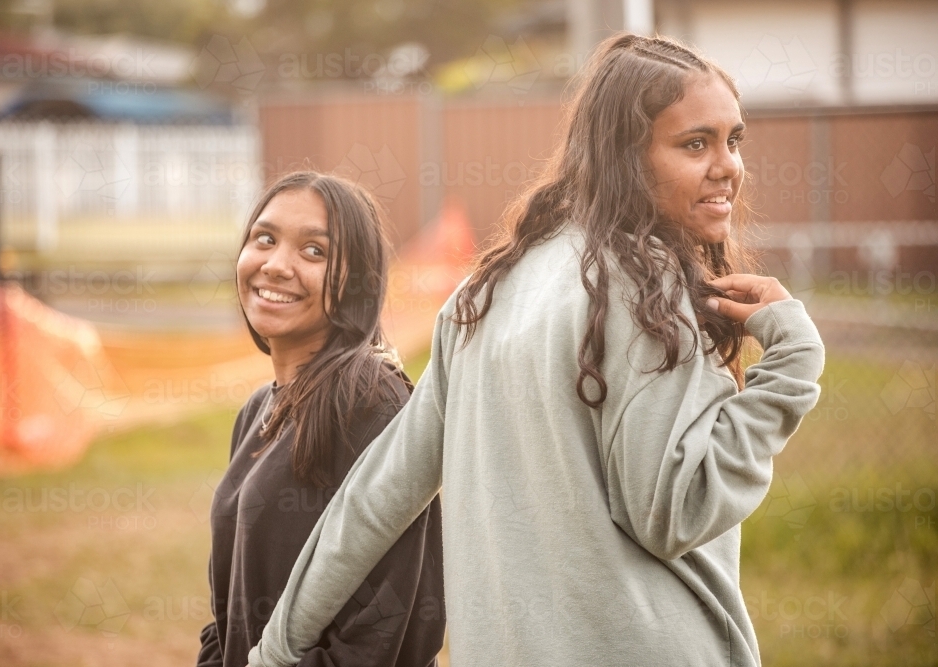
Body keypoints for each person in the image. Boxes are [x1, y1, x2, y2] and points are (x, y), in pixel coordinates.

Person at [248, 34, 825, 667]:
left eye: (733, 139)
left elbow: (373, 499)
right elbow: (675, 510)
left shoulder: (482, 294)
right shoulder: (643, 286)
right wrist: (791, 368)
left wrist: (274, 652)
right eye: (695, 144)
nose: (728, 167)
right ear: (626, 155)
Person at [197, 171, 445, 667]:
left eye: (315, 252)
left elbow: (393, 628)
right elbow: (228, 612)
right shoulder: (257, 412)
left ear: (357, 283)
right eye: (264, 239)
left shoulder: (371, 405)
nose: (276, 265)